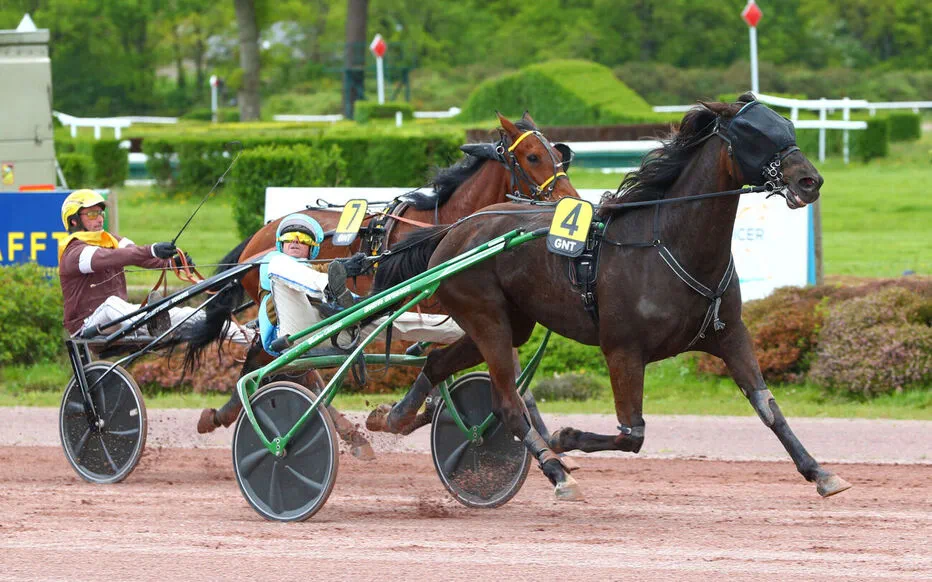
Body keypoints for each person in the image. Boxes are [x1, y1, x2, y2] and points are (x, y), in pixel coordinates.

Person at [58, 189, 244, 341]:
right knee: (111, 304)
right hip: (87, 325)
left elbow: (139, 256)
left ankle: (250, 338)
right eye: (92, 214)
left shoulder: (111, 240)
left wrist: (172, 262)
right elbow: (112, 257)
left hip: (123, 318)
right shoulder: (74, 252)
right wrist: (152, 249)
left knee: (189, 314)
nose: (99, 219)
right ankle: (150, 320)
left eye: (100, 213)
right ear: (74, 220)